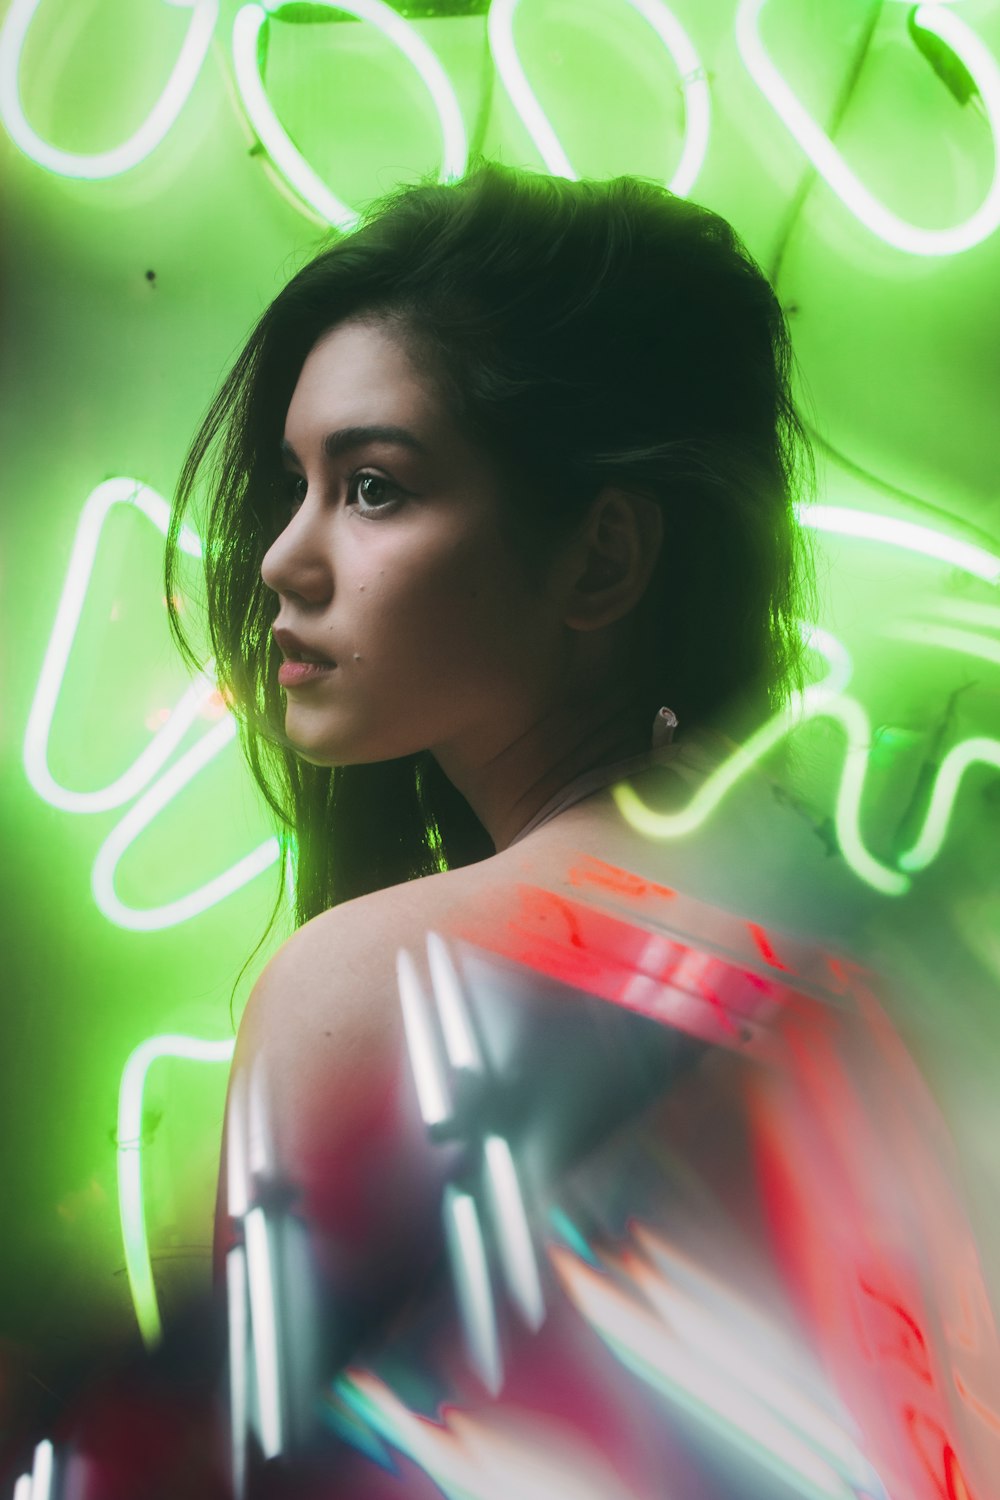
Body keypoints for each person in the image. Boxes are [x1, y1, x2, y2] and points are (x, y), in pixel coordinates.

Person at [157, 162, 1000, 1498]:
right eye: (296, 483)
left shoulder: (365, 990)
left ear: (604, 558)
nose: (281, 557)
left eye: (373, 488)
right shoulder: (894, 982)